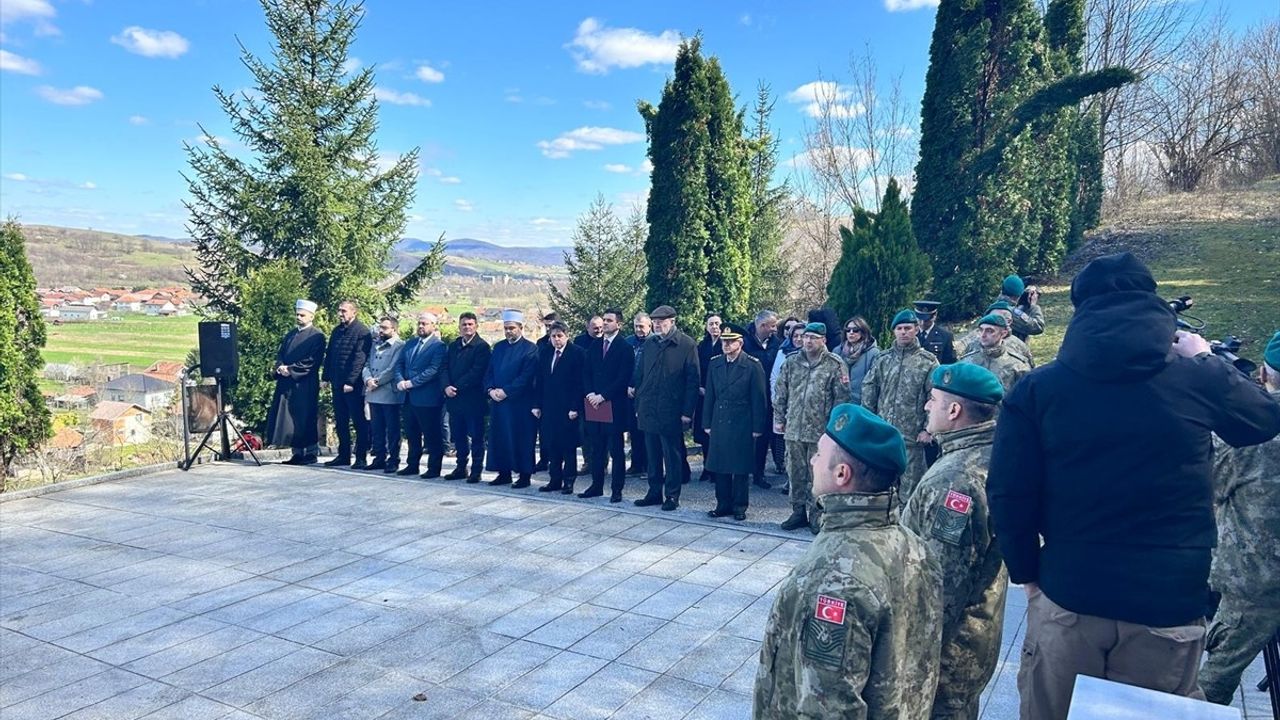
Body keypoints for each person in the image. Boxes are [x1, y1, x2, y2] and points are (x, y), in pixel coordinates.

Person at [987, 253, 1280, 720]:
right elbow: (1263, 419)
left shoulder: (1040, 390)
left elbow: (1008, 493)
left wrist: (1027, 576)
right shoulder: (1193, 378)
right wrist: (1204, 358)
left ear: (1082, 311)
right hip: (1167, 604)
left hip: (1070, 592)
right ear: (1151, 303)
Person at [753, 403, 941, 720]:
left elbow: (828, 709)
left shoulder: (831, 579)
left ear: (842, 474)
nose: (812, 460)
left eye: (819, 454)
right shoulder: (914, 546)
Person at [901, 363, 1006, 720]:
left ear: (954, 410)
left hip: (947, 657)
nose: (927, 406)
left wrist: (904, 654)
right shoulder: (990, 454)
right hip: (972, 641)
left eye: (933, 399)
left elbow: (941, 585)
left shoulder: (956, 481)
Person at [1198, 331, 1280, 705]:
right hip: (1259, 582)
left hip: (1256, 581)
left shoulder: (1249, 430)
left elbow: (1210, 487)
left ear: (1264, 374)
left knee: (1208, 688)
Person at [774, 322, 851, 533]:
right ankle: (797, 512)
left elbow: (842, 401)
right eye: (805, 337)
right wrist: (779, 418)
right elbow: (781, 393)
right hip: (794, 430)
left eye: (813, 338)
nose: (807, 341)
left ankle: (817, 515)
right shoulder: (792, 362)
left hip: (820, 432)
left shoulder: (835, 364)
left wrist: (835, 431)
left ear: (823, 340)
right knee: (795, 473)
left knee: (818, 476)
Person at [862, 309, 939, 499]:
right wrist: (869, 423)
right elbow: (869, 390)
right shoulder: (883, 359)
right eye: (899, 328)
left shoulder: (927, 362)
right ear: (894, 332)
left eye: (908, 328)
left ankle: (906, 526)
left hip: (912, 437)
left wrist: (928, 429)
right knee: (881, 487)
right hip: (884, 435)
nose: (903, 332)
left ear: (916, 330)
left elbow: (935, 396)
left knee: (910, 488)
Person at [632, 304, 699, 511]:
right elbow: (640, 375)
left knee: (672, 455)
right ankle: (654, 492)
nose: (658, 325)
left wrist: (687, 412)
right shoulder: (650, 344)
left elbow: (692, 381)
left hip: (672, 409)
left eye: (662, 322)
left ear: (672, 322)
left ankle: (672, 495)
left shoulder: (686, 345)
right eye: (655, 322)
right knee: (652, 454)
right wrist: (638, 404)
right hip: (649, 407)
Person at [702, 329, 768, 521]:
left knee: (740, 466)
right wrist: (706, 422)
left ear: (740, 343)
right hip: (720, 419)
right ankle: (722, 504)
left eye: (731, 342)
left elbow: (759, 399)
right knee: (721, 464)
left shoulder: (752, 366)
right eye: (724, 342)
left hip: (742, 421)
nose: (726, 346)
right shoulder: (715, 363)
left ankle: (739, 506)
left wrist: (758, 427)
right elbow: (710, 396)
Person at [581, 308, 635, 501]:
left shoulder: (625, 348)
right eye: (604, 320)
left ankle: (617, 489)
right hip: (594, 404)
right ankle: (596, 486)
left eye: (609, 320)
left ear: (618, 324)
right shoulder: (595, 346)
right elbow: (586, 372)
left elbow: (623, 378)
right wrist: (589, 393)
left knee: (616, 450)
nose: (605, 323)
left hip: (613, 405)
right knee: (597, 448)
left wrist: (603, 395)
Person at [484, 309, 541, 488]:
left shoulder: (530, 349)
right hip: (499, 403)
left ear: (520, 327)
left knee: (522, 439)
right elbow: (489, 372)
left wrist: (506, 391)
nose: (508, 331)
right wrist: (490, 389)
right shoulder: (499, 347)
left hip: (520, 404)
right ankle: (504, 473)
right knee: (500, 438)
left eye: (512, 328)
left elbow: (526, 377)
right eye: (506, 328)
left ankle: (524, 475)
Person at [267, 299, 326, 465]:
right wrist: (280, 368)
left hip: (305, 384)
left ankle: (311, 452)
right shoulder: (290, 334)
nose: (299, 317)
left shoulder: (317, 336)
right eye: (297, 314)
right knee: (290, 419)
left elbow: (312, 361)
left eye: (302, 315)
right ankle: (297, 452)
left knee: (305, 418)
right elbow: (280, 355)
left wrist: (291, 370)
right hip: (288, 383)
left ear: (311, 316)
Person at [532, 321, 585, 495]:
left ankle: (568, 481)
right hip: (549, 408)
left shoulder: (577, 354)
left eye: (559, 336)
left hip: (568, 409)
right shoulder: (546, 353)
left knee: (568, 447)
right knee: (551, 445)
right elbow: (539, 380)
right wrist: (536, 404)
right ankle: (554, 479)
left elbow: (580, 383)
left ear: (567, 335)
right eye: (553, 336)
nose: (556, 340)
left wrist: (575, 407)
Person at [395, 312, 446, 479]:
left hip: (428, 398)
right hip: (409, 398)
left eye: (425, 324)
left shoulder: (438, 346)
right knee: (411, 433)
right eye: (419, 323)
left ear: (433, 326)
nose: (421, 326)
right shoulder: (410, 344)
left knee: (432, 435)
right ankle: (412, 464)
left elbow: (433, 370)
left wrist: (412, 383)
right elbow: (399, 364)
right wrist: (401, 380)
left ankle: (433, 467)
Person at [321, 300, 372, 468]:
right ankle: (343, 456)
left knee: (358, 422)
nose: (340, 313)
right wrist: (325, 377)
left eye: (343, 311)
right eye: (339, 310)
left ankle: (361, 457)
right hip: (337, 383)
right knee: (341, 421)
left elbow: (360, 359)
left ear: (353, 312)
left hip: (353, 386)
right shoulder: (337, 331)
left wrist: (351, 381)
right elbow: (330, 355)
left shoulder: (362, 331)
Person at [442, 312, 491, 483]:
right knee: (459, 435)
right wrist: (446, 386)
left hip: (473, 400)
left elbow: (477, 372)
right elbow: (444, 368)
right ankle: (461, 467)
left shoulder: (482, 347)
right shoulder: (453, 345)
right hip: (454, 399)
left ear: (476, 326)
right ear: (459, 327)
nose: (467, 327)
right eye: (464, 324)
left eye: (470, 324)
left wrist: (456, 386)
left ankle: (476, 470)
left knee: (477, 437)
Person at [744, 310, 782, 490]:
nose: (775, 329)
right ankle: (741, 471)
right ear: (762, 326)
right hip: (747, 398)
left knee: (763, 437)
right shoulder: (744, 342)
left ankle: (759, 473)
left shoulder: (778, 344)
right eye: (773, 325)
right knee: (745, 437)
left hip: (769, 399)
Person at [362, 315, 404, 474]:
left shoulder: (399, 346)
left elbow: (393, 369)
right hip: (373, 392)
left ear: (394, 329)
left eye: (385, 328)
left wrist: (377, 382)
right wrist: (367, 380)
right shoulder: (375, 345)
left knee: (392, 430)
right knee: (376, 427)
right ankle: (379, 457)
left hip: (388, 393)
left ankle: (393, 459)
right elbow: (366, 364)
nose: (381, 330)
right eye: (380, 327)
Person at [958, 313, 1030, 395]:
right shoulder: (966, 362)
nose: (983, 335)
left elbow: (1027, 397)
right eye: (981, 330)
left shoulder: (1017, 365)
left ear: (1003, 333)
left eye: (989, 331)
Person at [693, 313, 723, 482]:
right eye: (711, 324)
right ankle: (706, 466)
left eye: (717, 323)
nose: (714, 327)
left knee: (717, 433)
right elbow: (696, 368)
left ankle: (716, 467)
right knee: (704, 433)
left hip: (718, 395)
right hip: (703, 395)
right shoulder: (701, 346)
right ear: (706, 327)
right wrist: (699, 387)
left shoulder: (724, 344)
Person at [624, 312, 651, 476]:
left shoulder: (655, 342)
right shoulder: (628, 342)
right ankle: (636, 463)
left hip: (646, 393)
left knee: (646, 430)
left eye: (642, 326)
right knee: (633, 430)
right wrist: (627, 386)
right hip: (629, 392)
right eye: (636, 326)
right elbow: (623, 367)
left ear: (650, 326)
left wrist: (640, 388)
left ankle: (648, 465)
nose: (639, 329)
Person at [836, 315, 880, 406]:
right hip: (840, 404)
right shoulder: (837, 351)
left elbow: (875, 383)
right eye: (848, 330)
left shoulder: (873, 353)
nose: (851, 332)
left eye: (855, 330)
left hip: (861, 405)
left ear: (863, 332)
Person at [998, 274, 1045, 344]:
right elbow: (1038, 327)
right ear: (1018, 295)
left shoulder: (995, 306)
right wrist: (1033, 306)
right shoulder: (1010, 312)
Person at [915, 300, 957, 365]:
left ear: (935, 315)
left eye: (926, 320)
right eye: (920, 319)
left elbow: (950, 363)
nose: (922, 323)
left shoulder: (946, 336)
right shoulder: (911, 334)